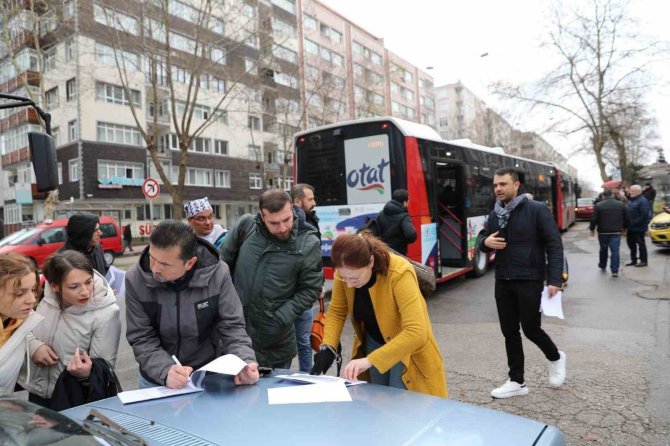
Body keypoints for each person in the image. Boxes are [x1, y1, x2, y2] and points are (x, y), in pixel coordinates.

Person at [310, 233, 447, 397]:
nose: (349, 284)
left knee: (400, 404)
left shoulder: (399, 272)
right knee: (378, 401)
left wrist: (369, 360)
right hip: (374, 340)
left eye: (354, 278)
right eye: (343, 278)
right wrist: (328, 347)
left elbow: (417, 332)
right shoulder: (345, 272)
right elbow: (337, 311)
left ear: (371, 262)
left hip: (405, 347)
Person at [125, 220, 258, 389]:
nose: (154, 269)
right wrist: (165, 371)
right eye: (152, 258)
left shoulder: (217, 274)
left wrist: (244, 362)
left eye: (164, 264)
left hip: (206, 373)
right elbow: (141, 337)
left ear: (190, 263)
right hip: (156, 378)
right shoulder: (135, 278)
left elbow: (232, 326)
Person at [479, 167, 566, 398]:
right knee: (509, 332)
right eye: (495, 185)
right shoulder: (495, 213)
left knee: (531, 329)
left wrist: (555, 279)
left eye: (503, 184)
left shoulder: (536, 209)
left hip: (529, 278)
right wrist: (485, 242)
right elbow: (482, 239)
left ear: (516, 185)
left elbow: (554, 245)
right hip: (503, 279)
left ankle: (556, 357)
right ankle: (517, 381)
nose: (498, 189)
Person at [220, 189, 322, 369]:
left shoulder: (308, 243)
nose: (282, 228)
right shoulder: (246, 226)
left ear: (292, 209)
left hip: (275, 342)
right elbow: (220, 266)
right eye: (274, 223)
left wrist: (280, 318)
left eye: (286, 220)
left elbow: (310, 290)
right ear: (262, 216)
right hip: (236, 336)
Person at [18, 250, 121, 408]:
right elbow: (22, 328)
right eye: (74, 286)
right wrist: (34, 346)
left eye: (88, 282)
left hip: (73, 397)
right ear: (54, 287)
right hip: (37, 393)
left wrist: (85, 373)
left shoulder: (107, 313)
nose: (85, 291)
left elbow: (103, 368)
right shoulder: (42, 298)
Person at [291, 183, 323, 373]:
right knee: (286, 346)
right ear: (297, 201)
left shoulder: (312, 220)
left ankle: (307, 377)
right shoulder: (290, 226)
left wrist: (317, 284)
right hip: (291, 292)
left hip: (305, 293)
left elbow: (315, 260)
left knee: (304, 341)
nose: (314, 203)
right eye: (310, 199)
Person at [0, 253, 42, 396]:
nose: (31, 300)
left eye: (33, 290)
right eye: (19, 294)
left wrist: (34, 345)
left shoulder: (20, 321)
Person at [589, 189, 630, 277]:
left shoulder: (599, 205)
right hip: (616, 232)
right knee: (615, 251)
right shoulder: (620, 205)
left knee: (603, 249)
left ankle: (603, 265)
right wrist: (625, 228)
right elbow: (627, 218)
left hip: (603, 232)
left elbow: (594, 219)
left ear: (603, 196)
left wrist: (592, 229)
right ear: (612, 195)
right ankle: (614, 270)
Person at [377, 189, 417, 255]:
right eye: (408, 201)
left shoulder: (381, 213)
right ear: (404, 203)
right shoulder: (404, 216)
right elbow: (411, 235)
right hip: (398, 254)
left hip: (384, 252)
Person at [625, 185, 651, 268]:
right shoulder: (631, 200)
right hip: (630, 228)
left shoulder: (643, 201)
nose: (629, 192)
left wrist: (633, 223)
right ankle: (633, 260)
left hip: (639, 228)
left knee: (641, 245)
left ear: (637, 192)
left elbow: (645, 215)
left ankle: (643, 261)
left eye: (631, 191)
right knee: (631, 244)